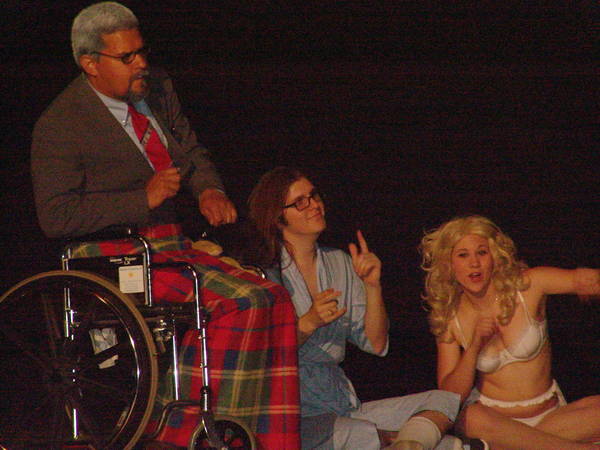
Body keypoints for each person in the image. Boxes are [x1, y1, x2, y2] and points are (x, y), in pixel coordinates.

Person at [30, 3, 300, 448]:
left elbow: (190, 151)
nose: (141, 63)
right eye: (127, 57)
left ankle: (260, 437)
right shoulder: (61, 124)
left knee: (274, 297)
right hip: (111, 255)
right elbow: (56, 216)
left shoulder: (156, 88)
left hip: (168, 245)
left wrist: (208, 189)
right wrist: (143, 198)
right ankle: (182, 426)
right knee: (244, 303)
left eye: (142, 51)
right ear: (90, 64)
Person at [247, 167, 462, 450]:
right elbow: (261, 354)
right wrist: (308, 323)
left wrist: (373, 286)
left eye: (314, 196)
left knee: (445, 400)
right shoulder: (262, 274)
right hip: (295, 411)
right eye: (300, 202)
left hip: (342, 402)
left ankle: (403, 443)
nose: (314, 205)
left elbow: (376, 342)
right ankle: (399, 441)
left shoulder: (340, 262)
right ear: (278, 217)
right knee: (365, 434)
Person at [420, 215, 600, 449]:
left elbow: (584, 281)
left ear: (494, 256)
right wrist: (474, 346)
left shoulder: (528, 285)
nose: (474, 263)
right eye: (463, 255)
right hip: (495, 426)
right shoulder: (449, 316)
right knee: (469, 417)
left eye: (482, 252)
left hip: (553, 420)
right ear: (449, 264)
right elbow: (450, 396)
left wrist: (588, 280)